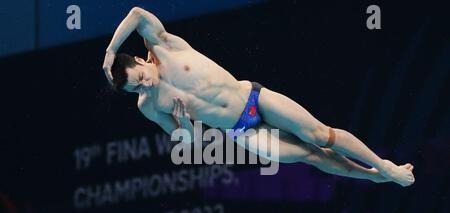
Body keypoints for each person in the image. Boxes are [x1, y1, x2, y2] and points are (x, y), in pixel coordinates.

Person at [102, 7, 415, 186]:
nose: (145, 86)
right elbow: (188, 143)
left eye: (141, 78)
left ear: (142, 61)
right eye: (137, 88)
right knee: (310, 155)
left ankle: (384, 166)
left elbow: (136, 13)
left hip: (253, 97)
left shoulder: (164, 46)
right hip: (243, 132)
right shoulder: (150, 105)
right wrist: (184, 125)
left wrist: (111, 50)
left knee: (319, 134)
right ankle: (373, 177)